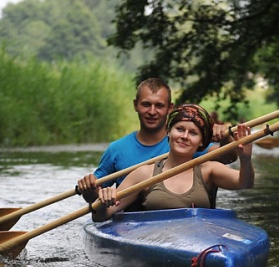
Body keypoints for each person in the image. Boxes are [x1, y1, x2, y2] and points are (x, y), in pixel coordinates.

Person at [78, 78, 236, 208]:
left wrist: (225, 137)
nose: (152, 112)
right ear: (136, 105)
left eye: (159, 106)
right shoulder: (116, 150)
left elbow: (229, 157)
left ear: (170, 108)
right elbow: (94, 198)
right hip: (131, 229)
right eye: (146, 104)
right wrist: (90, 191)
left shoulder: (185, 143)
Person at [87, 103, 253, 221]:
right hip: (156, 243)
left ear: (202, 142)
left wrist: (245, 159)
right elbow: (101, 216)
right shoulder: (144, 173)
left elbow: (244, 183)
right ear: (168, 132)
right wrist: (102, 202)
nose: (185, 136)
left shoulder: (209, 170)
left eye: (193, 133)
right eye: (179, 129)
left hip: (199, 243)